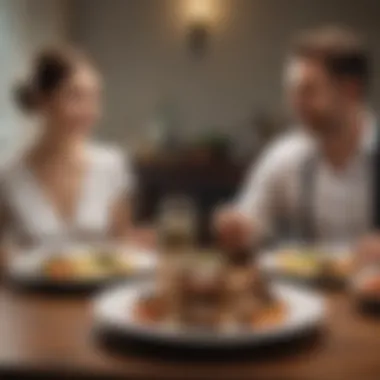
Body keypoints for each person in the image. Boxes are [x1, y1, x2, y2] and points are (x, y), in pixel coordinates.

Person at [215, 26, 378, 249]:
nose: (294, 103)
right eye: (292, 91)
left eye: (307, 91)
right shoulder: (285, 157)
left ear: (350, 90)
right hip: (304, 285)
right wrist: (236, 229)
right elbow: (249, 222)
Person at [0, 46, 137, 250]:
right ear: (43, 100)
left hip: (105, 283)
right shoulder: (10, 177)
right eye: (75, 96)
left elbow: (123, 245)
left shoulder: (111, 165)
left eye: (95, 98)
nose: (90, 112)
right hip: (31, 283)